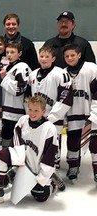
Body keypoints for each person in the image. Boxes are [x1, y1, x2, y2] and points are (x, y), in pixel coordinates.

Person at [0, 96, 59, 205]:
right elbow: (15, 144)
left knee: (39, 195)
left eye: (36, 110)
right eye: (30, 109)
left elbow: (50, 156)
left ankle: (52, 182)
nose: (32, 113)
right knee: (1, 156)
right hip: (23, 161)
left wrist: (42, 177)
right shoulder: (23, 121)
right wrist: (17, 164)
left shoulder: (50, 129)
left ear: (43, 111)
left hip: (37, 168)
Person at [27, 45, 73, 168]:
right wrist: (32, 114)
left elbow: (66, 99)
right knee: (37, 146)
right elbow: (28, 97)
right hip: (36, 117)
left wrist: (51, 117)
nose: (44, 59)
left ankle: (53, 172)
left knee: (53, 146)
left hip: (53, 119)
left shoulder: (61, 74)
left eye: (47, 56)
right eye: (41, 56)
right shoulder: (33, 74)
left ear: (53, 58)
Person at [62, 44, 97, 182]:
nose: (70, 58)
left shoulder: (91, 69)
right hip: (73, 115)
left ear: (79, 55)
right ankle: (73, 166)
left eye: (72, 55)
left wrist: (94, 115)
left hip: (90, 113)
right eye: (67, 56)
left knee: (94, 144)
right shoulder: (63, 73)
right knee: (72, 142)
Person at [0, 41, 31, 148]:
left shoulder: (22, 67)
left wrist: (5, 79)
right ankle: (5, 158)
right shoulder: (6, 67)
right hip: (5, 112)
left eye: (12, 52)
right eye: (7, 52)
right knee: (5, 137)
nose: (9, 55)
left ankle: (15, 161)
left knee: (16, 139)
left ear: (19, 53)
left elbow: (20, 89)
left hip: (16, 112)